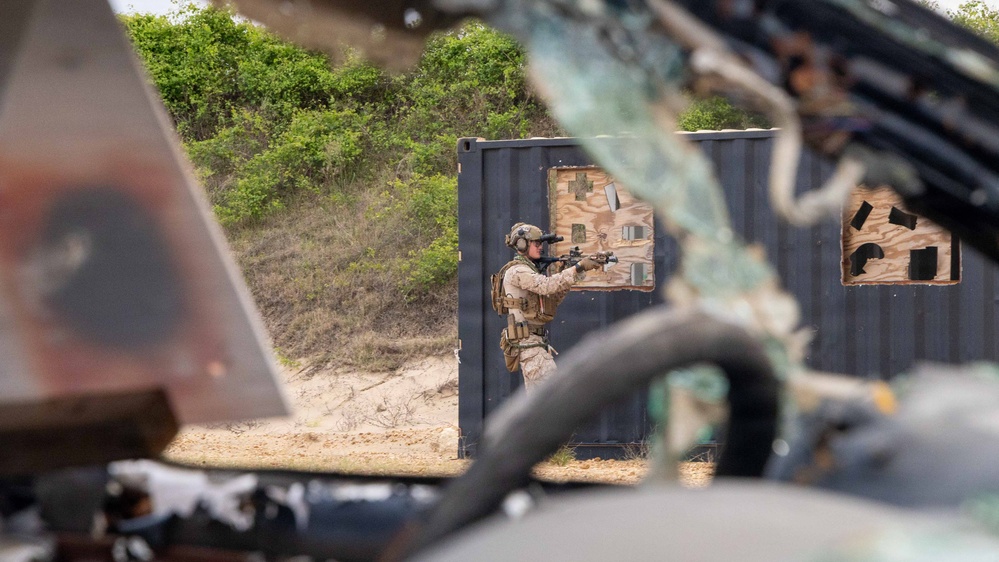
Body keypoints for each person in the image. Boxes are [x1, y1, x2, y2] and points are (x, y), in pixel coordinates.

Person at [494, 222, 610, 391]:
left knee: (542, 404)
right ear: (522, 244)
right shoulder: (518, 271)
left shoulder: (528, 270)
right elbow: (547, 286)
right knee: (554, 396)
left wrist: (569, 274)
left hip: (536, 344)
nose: (540, 247)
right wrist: (577, 268)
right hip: (530, 345)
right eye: (536, 243)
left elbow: (552, 300)